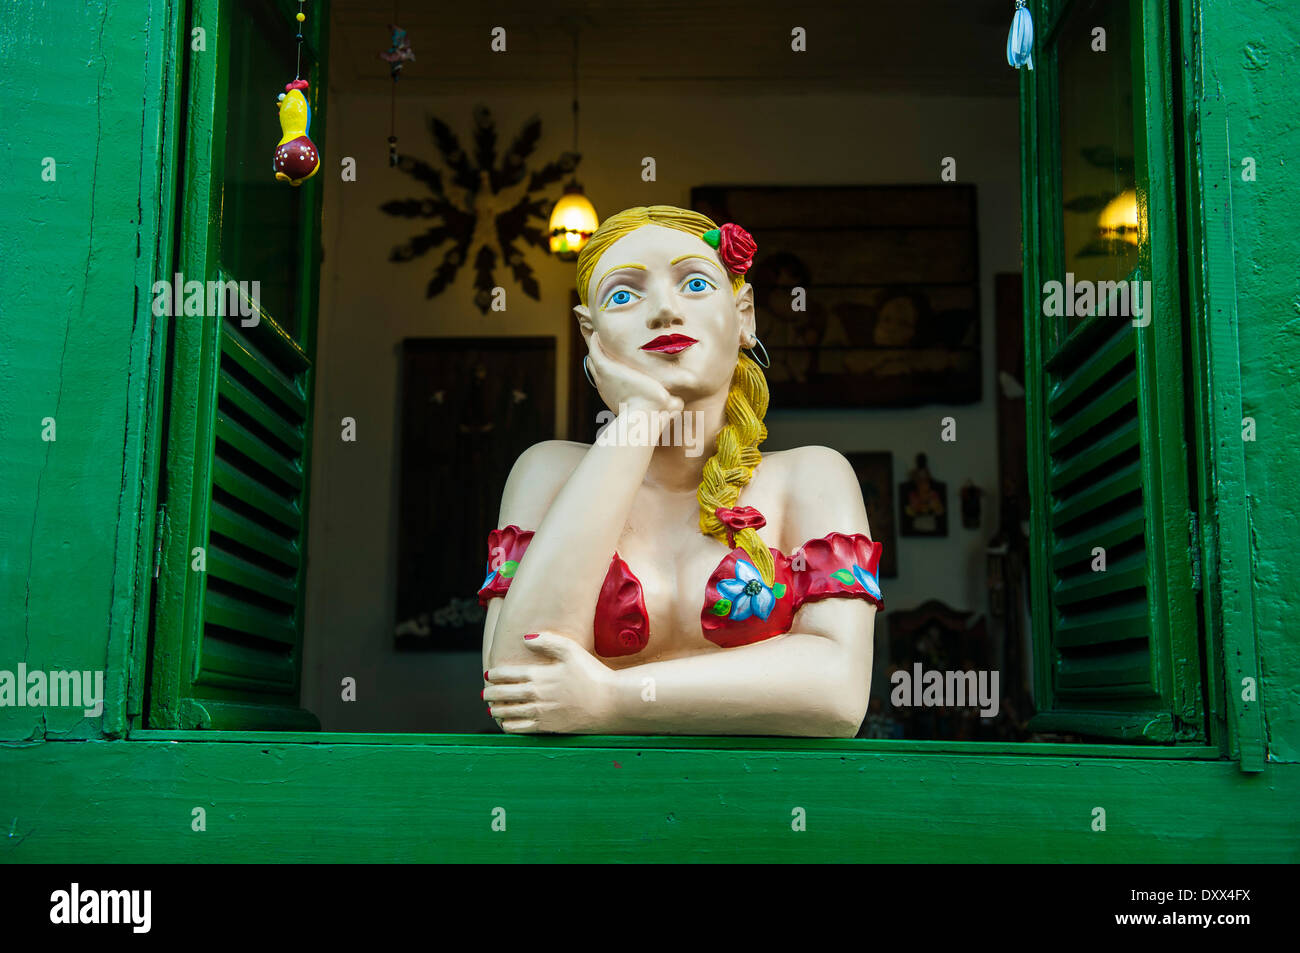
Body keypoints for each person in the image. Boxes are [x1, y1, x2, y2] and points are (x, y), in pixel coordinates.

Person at [478, 206, 884, 736]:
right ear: (589, 333)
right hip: (579, 804)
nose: (664, 312)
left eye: (694, 283)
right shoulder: (547, 471)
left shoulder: (813, 477)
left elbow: (837, 693)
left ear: (745, 315)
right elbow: (517, 686)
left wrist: (609, 699)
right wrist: (640, 418)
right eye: (623, 296)